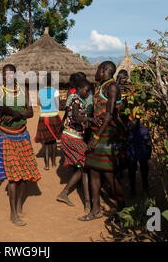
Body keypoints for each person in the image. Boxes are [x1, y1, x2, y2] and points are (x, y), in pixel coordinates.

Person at [0, 64, 41, 227]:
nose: (9, 76)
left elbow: (30, 112)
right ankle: (13, 213)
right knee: (13, 178)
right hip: (6, 137)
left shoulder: (23, 90)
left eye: (12, 73)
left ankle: (19, 203)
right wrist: (12, 113)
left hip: (22, 136)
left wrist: (16, 114)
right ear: (3, 76)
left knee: (24, 176)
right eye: (6, 74)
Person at [79, 61, 125, 221]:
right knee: (93, 171)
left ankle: (121, 209)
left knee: (109, 175)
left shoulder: (112, 87)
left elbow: (109, 115)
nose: (96, 72)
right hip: (97, 133)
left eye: (98, 69)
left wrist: (96, 138)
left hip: (107, 136)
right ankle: (95, 209)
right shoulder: (101, 86)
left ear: (105, 70)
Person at [56, 77, 94, 212]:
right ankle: (86, 201)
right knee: (86, 161)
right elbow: (76, 117)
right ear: (79, 89)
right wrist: (90, 119)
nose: (88, 93)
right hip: (72, 137)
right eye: (87, 91)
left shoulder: (79, 100)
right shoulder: (76, 100)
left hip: (75, 136)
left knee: (83, 166)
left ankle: (66, 194)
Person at [35, 72, 62, 170]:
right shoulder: (55, 91)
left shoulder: (41, 91)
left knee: (46, 143)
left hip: (43, 118)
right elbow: (57, 104)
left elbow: (41, 104)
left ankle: (46, 165)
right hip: (54, 117)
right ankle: (54, 162)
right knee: (54, 141)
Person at [127, 118, 152, 197]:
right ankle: (135, 190)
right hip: (135, 149)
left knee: (141, 169)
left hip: (139, 149)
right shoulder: (143, 129)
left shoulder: (143, 127)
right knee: (133, 170)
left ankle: (142, 189)